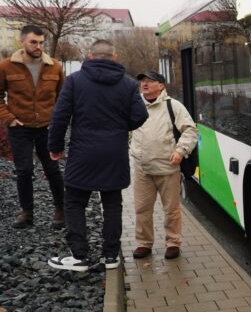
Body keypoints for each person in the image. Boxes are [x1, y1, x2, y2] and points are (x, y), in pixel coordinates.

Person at [47, 40, 148, 272]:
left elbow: (60, 117)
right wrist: (121, 127)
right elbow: (140, 116)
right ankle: (111, 256)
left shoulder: (74, 81)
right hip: (115, 152)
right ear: (115, 57)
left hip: (83, 153)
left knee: (74, 202)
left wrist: (55, 146)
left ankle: (79, 256)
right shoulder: (129, 84)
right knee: (112, 203)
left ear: (90, 55)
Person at [0, 25, 66, 229]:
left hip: (47, 127)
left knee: (52, 169)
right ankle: (27, 213)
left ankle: (60, 210)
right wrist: (9, 118)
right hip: (20, 127)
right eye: (33, 42)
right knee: (24, 170)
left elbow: (63, 97)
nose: (38, 46)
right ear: (22, 42)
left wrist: (57, 120)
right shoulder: (6, 67)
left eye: (41, 42)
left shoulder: (54, 66)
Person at [130, 71, 197, 260]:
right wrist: (134, 149)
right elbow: (127, 129)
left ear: (161, 85)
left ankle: (173, 242)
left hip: (168, 169)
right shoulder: (135, 105)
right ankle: (144, 243)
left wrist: (180, 151)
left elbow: (190, 130)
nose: (145, 84)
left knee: (171, 210)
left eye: (150, 81)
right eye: (143, 81)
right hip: (142, 169)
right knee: (142, 209)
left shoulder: (173, 106)